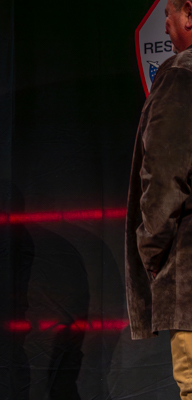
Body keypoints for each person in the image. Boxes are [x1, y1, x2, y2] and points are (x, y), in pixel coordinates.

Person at [126, 0, 192, 398]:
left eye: (168, 15)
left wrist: (150, 252)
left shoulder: (182, 74)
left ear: (189, 13)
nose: (165, 27)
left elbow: (165, 174)